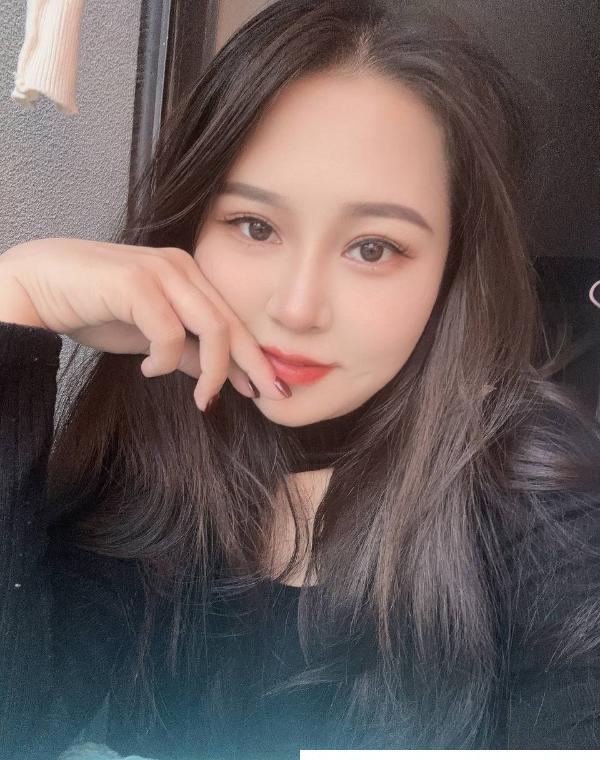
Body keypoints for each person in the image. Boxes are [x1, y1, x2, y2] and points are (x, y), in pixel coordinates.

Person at [1, 0, 599, 758]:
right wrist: (14, 299)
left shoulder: (543, 504)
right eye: (255, 227)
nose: (296, 308)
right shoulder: (149, 447)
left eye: (373, 247)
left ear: (453, 271)